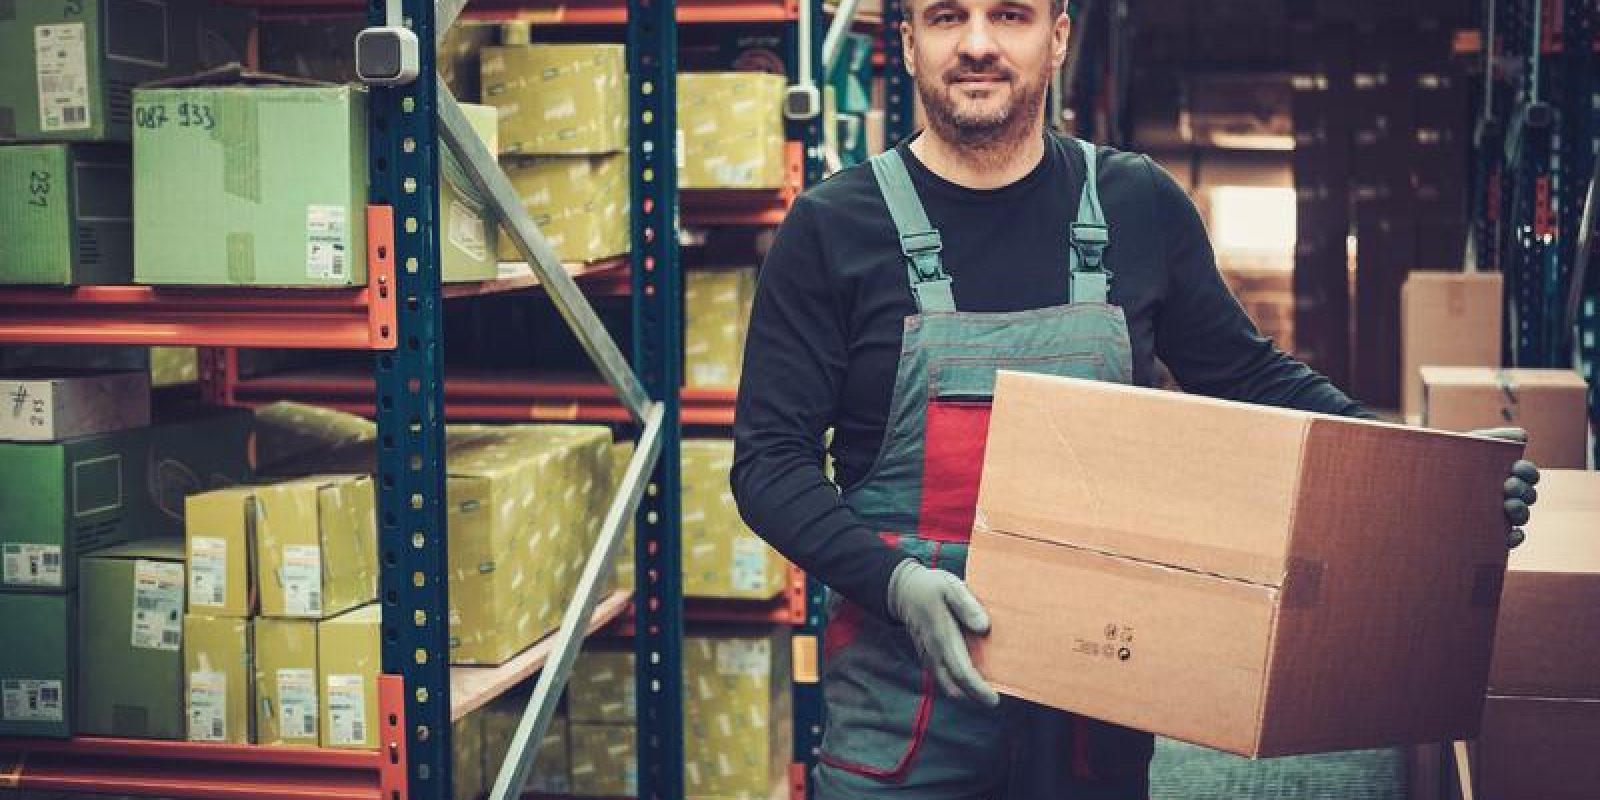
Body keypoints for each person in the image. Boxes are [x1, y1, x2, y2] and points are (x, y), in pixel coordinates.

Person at [729, 1, 1542, 797]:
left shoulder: (1134, 206)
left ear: (1058, 38)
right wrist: (894, 582)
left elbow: (1249, 378)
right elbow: (769, 465)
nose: (977, 43)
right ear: (907, 45)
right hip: (904, 710)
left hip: (1096, 697)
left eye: (1009, 15)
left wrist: (1433, 475)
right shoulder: (831, 229)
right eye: (947, 17)